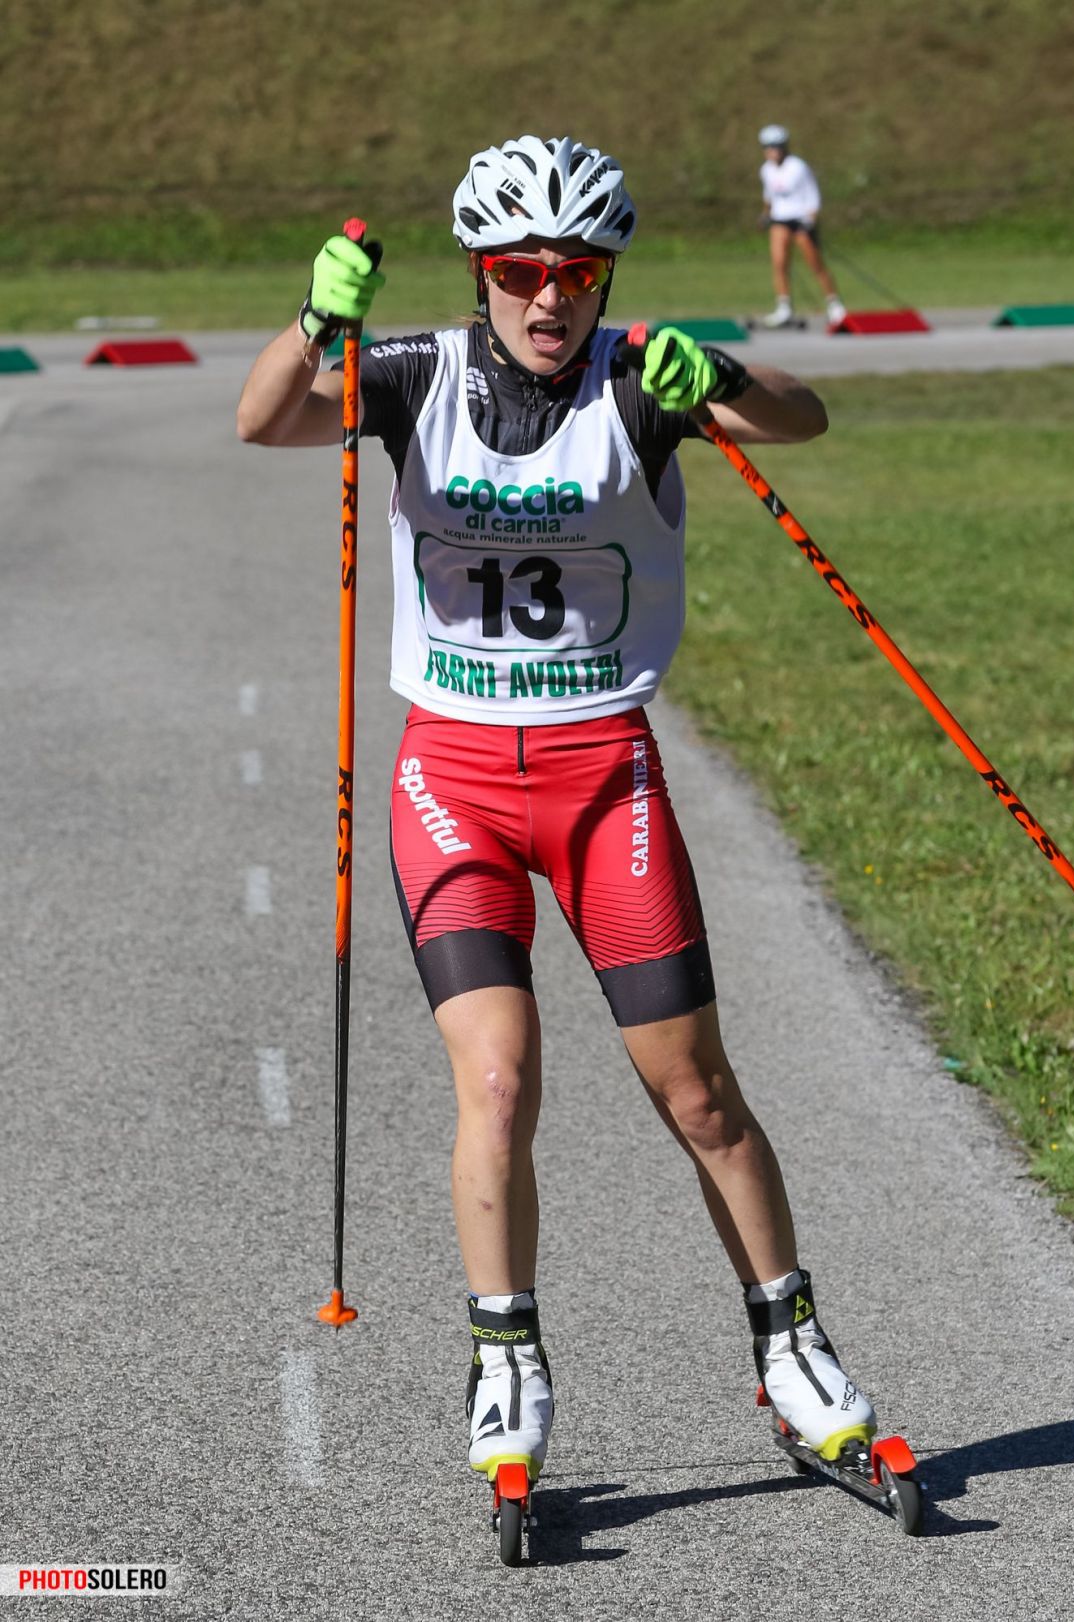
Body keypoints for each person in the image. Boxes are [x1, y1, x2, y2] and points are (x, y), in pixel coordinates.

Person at [237, 134, 878, 1492]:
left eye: (577, 272)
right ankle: (505, 1358)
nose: (549, 296)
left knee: (695, 1090)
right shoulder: (412, 374)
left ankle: (790, 1343)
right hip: (453, 780)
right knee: (498, 1078)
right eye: (522, 270)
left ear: (605, 277)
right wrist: (313, 321)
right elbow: (266, 420)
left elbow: (802, 420)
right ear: (482, 271)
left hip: (602, 778)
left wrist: (726, 376)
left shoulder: (640, 381)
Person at [756, 124, 847, 329]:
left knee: (815, 263)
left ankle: (834, 305)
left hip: (800, 221)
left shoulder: (797, 167)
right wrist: (765, 214)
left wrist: (811, 218)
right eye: (768, 147)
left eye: (776, 146)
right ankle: (784, 307)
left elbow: (812, 194)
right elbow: (769, 196)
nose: (772, 151)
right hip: (780, 220)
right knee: (779, 263)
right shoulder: (766, 170)